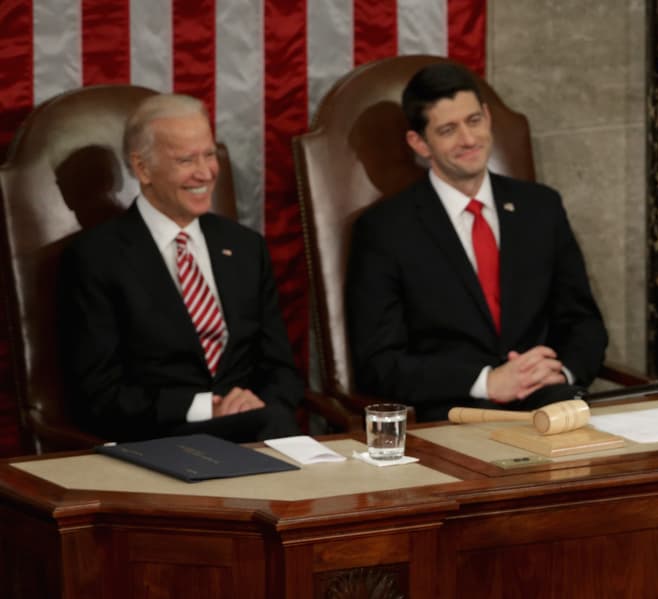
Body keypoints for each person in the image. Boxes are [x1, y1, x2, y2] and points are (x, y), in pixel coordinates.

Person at [346, 62, 608, 421]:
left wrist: (560, 372)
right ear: (419, 143)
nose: (469, 140)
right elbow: (379, 363)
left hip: (548, 402)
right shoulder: (385, 230)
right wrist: (486, 382)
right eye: (448, 130)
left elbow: (584, 323)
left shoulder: (541, 207)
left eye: (473, 121)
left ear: (487, 117)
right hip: (453, 413)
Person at [59, 94, 303, 443]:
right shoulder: (95, 258)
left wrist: (257, 404)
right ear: (143, 169)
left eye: (209, 154)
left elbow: (281, 368)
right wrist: (206, 408)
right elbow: (98, 395)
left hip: (257, 430)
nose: (205, 173)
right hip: (161, 439)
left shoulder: (246, 246)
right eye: (186, 160)